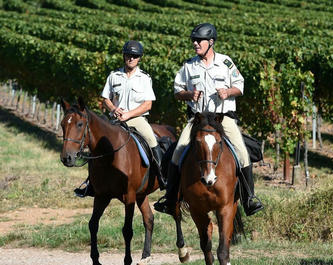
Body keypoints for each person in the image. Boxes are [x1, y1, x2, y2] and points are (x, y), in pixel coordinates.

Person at [153, 23, 263, 216]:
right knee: (178, 153)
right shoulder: (188, 66)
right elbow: (177, 91)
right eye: (193, 41)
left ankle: (249, 199)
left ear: (211, 42)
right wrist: (189, 94)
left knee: (242, 153)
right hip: (198, 120)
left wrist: (228, 91)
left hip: (222, 119)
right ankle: (170, 200)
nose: (195, 43)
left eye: (199, 40)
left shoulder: (226, 62)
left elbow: (240, 86)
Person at [74, 40, 163, 197]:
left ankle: (161, 175)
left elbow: (148, 104)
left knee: (151, 139)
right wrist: (114, 109)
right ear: (124, 56)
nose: (131, 58)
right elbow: (105, 99)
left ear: (139, 58)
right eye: (129, 55)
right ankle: (91, 183)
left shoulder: (144, 78)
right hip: (115, 121)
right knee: (98, 145)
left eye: (135, 56)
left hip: (136, 119)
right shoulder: (114, 76)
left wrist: (129, 114)